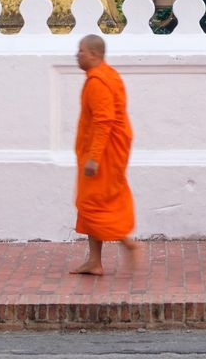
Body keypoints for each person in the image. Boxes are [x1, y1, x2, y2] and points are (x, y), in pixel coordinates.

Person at [71, 34, 139, 275]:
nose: (76, 55)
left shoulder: (99, 81)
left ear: (94, 54)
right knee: (92, 202)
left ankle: (127, 243)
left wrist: (94, 157)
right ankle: (95, 261)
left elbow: (104, 121)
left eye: (81, 51)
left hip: (103, 154)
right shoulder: (107, 74)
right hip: (102, 151)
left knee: (93, 205)